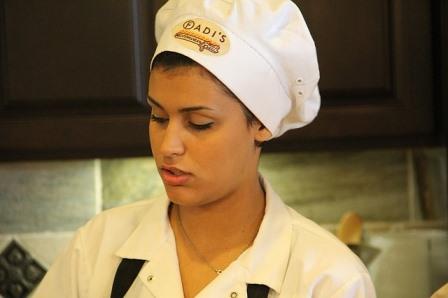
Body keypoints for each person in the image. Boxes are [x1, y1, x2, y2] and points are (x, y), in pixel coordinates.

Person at [34, 0, 376, 297]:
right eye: (158, 116)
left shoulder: (329, 280)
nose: (168, 146)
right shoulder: (96, 248)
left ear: (261, 125)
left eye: (199, 123)